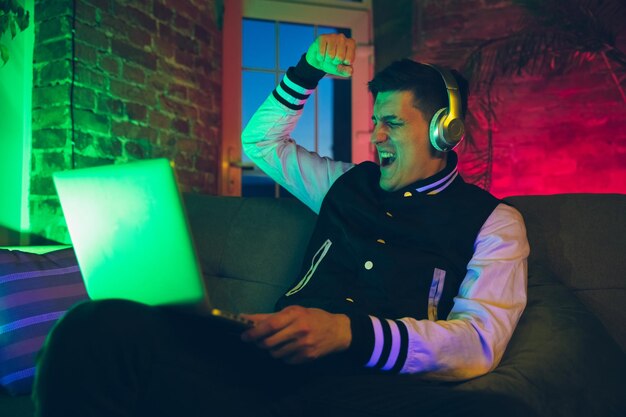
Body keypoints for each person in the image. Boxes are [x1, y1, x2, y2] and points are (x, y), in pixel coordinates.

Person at [33, 34, 531, 417]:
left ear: (445, 130)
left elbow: (479, 342)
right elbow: (262, 144)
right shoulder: (343, 184)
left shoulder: (494, 223)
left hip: (366, 385)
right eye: (376, 121)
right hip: (263, 363)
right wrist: (308, 70)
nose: (375, 136)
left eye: (393, 124)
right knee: (93, 326)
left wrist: (348, 334)